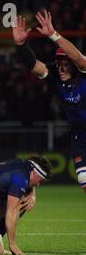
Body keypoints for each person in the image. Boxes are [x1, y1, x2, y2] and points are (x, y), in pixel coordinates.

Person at [12, 10, 86, 194]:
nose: (61, 67)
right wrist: (21, 46)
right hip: (79, 135)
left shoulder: (84, 72)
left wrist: (53, 34)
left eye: (65, 63)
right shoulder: (55, 75)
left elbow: (79, 59)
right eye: (58, 62)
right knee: (84, 181)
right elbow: (34, 66)